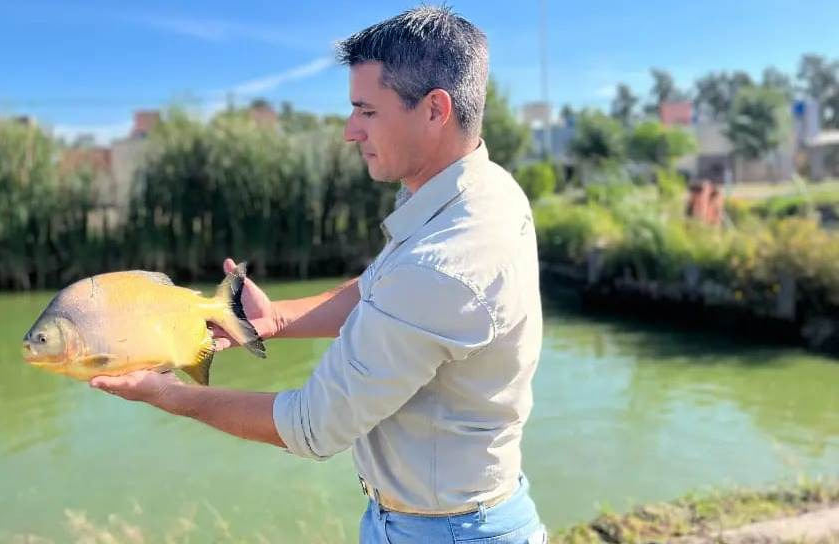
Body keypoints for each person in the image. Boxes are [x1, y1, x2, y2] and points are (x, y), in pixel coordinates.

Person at [89, 6, 546, 543]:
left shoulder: (447, 260)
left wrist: (165, 393)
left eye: (366, 111)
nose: (351, 132)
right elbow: (382, 288)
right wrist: (277, 318)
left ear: (434, 109)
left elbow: (312, 425)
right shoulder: (477, 192)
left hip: (446, 532)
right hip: (441, 516)